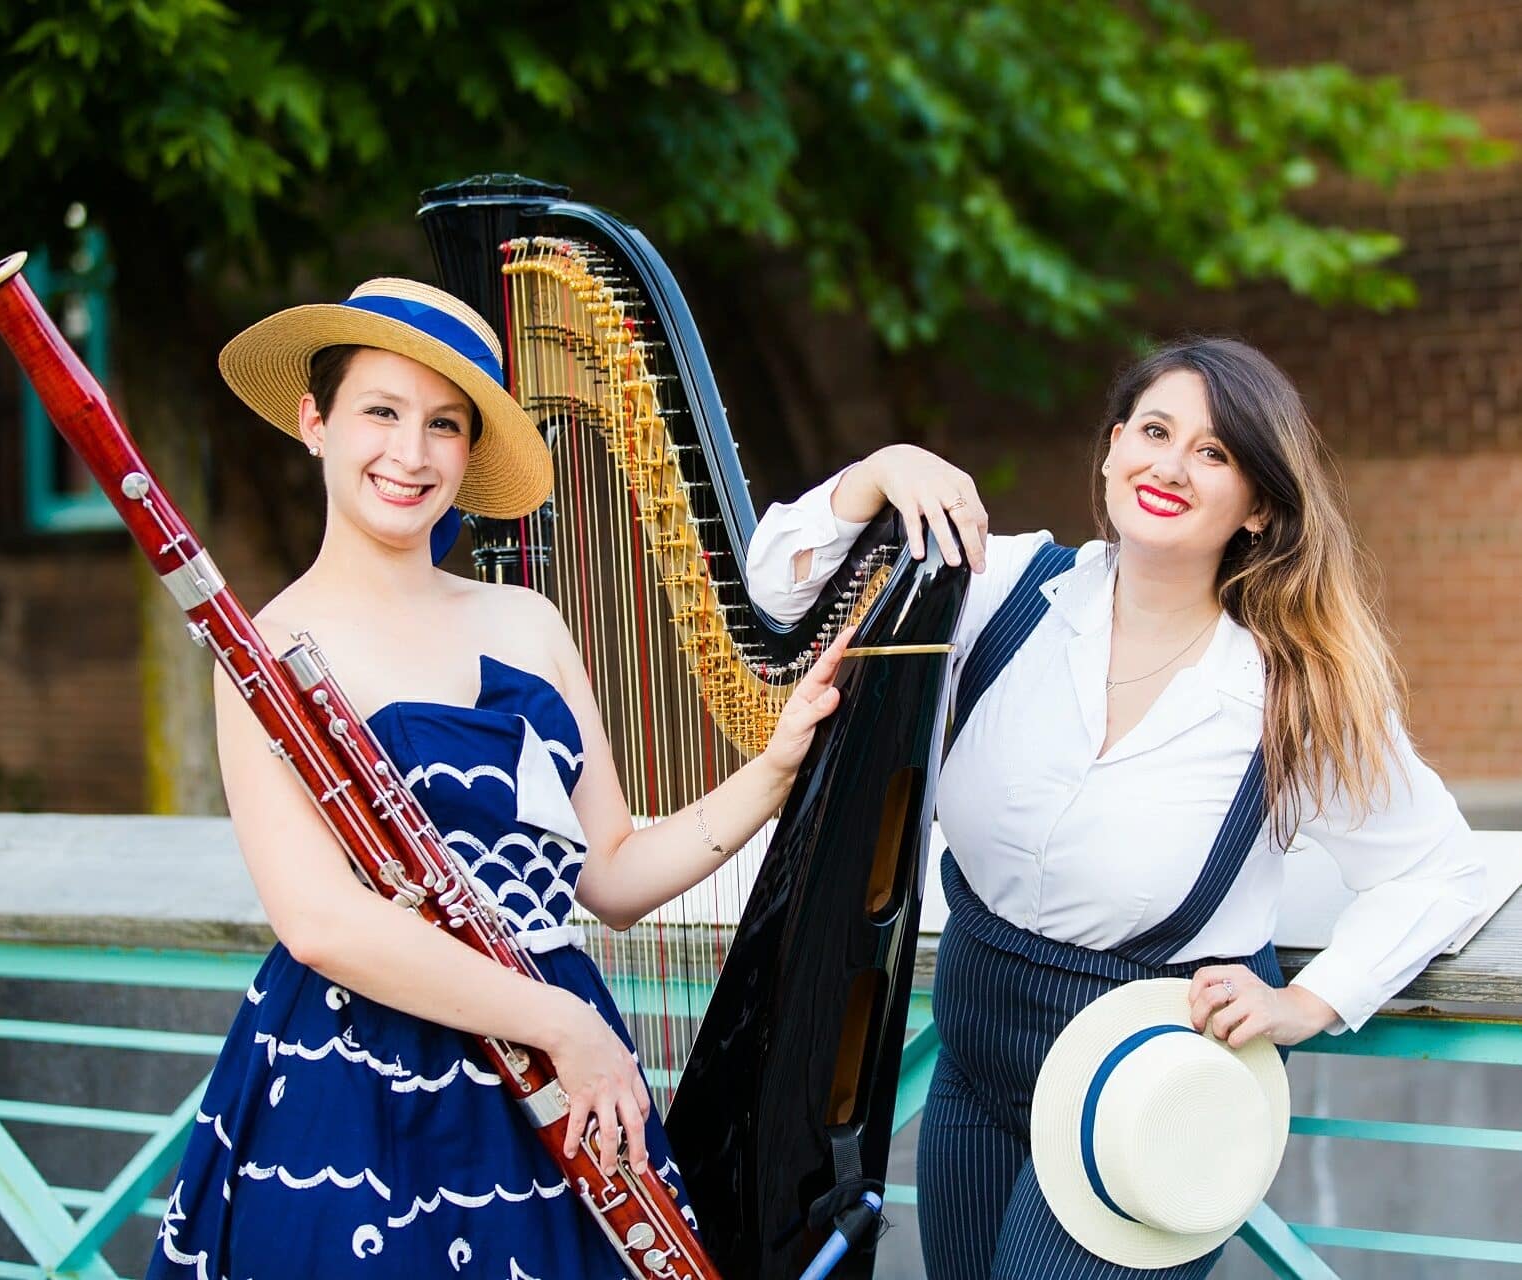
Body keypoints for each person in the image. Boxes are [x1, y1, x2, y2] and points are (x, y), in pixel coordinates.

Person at [148, 277, 846, 1279]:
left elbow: (607, 874)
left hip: (561, 1081)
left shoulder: (527, 621)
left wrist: (773, 770)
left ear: (469, 453)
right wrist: (562, 1022)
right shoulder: (269, 647)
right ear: (315, 420)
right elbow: (322, 923)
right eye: (380, 412)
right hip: (365, 1074)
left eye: (443, 423)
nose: (410, 451)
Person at [745, 337, 1485, 1278]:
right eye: (1154, 430)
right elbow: (776, 593)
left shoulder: (1293, 687)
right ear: (1109, 449)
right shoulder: (1002, 591)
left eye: (1214, 454)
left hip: (1152, 1092)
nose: (1170, 466)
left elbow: (1437, 869)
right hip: (972, 1064)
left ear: (1258, 507)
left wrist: (1308, 1002)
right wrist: (878, 474)